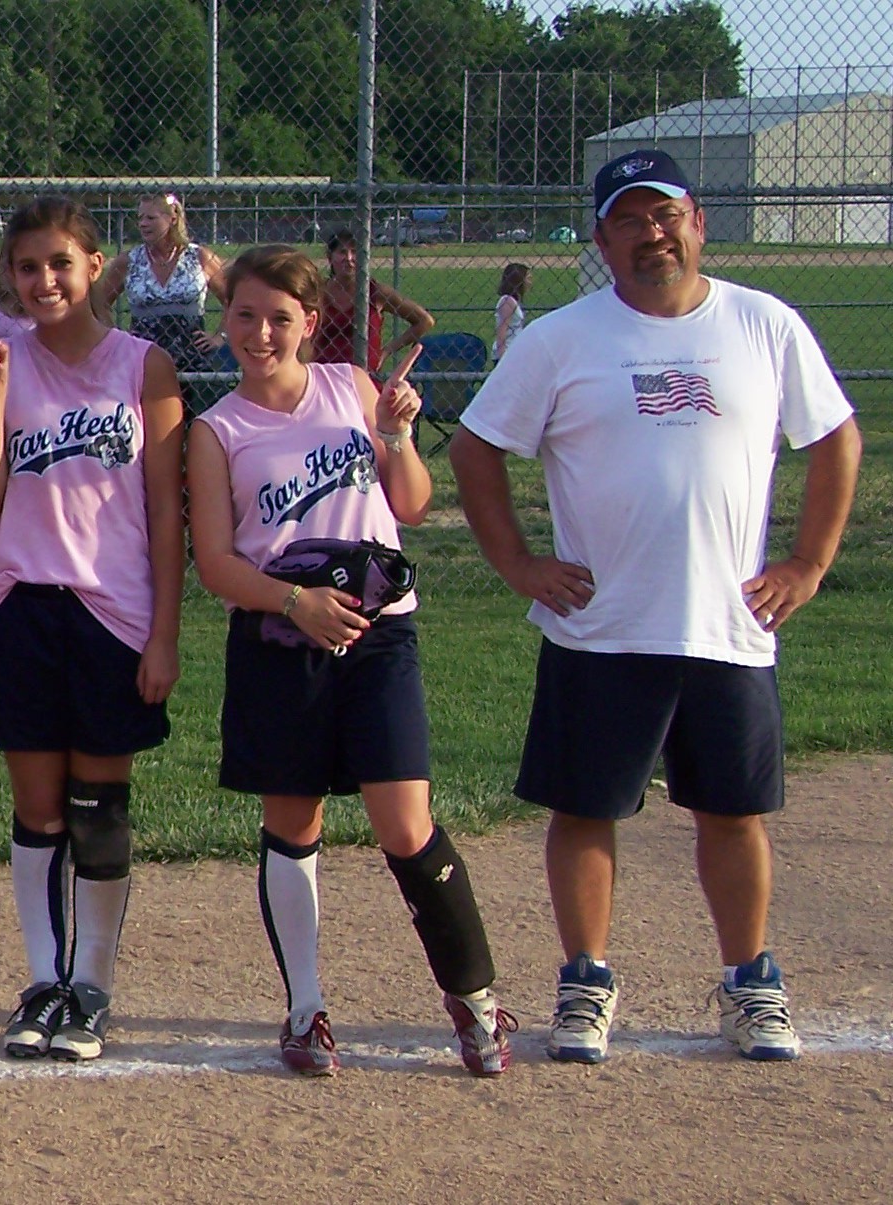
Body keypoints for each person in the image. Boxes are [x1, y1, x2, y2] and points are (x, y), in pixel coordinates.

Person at [453, 149, 860, 1065]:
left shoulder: (763, 323)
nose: (651, 234)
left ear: (697, 222)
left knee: (733, 812)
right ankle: (585, 980)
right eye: (628, 221)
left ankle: (750, 981)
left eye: (665, 214)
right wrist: (518, 561)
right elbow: (476, 446)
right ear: (601, 241)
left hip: (729, 622)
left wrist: (809, 561)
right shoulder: (562, 339)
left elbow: (836, 437)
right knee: (584, 807)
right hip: (601, 624)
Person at [188, 244, 515, 1078]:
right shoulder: (217, 429)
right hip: (280, 638)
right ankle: (305, 1008)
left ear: (309, 321)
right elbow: (216, 563)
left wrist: (397, 437)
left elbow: (412, 504)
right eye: (245, 316)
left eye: (280, 318)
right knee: (293, 822)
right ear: (226, 319)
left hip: (378, 637)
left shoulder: (350, 387)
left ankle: (473, 996)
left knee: (405, 822)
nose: (262, 333)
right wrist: (295, 602)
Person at [0, 196, 184, 1065]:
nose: (43, 280)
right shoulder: (0, 359)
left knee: (98, 806)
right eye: (26, 267)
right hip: (21, 602)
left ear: (94, 266)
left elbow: (166, 513)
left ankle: (91, 985)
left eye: (60, 263)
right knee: (37, 808)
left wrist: (164, 634)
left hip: (112, 610)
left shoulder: (144, 365)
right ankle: (44, 979)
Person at [94, 194, 227, 411]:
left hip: (193, 361)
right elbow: (98, 302)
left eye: (151, 218)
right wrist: (117, 339)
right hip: (142, 360)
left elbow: (233, 299)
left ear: (172, 218)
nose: (143, 224)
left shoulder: (199, 257)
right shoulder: (129, 260)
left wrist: (220, 336)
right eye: (140, 218)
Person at [311, 228, 431, 370]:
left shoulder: (376, 292)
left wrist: (386, 351)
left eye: (354, 252)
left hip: (364, 375)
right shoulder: (317, 293)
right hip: (323, 373)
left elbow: (424, 321)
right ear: (330, 256)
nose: (348, 258)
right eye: (342, 252)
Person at [492, 262, 530, 359]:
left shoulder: (513, 301)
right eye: (527, 278)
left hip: (514, 351)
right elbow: (501, 332)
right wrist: (502, 357)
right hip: (507, 353)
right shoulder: (507, 301)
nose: (529, 282)